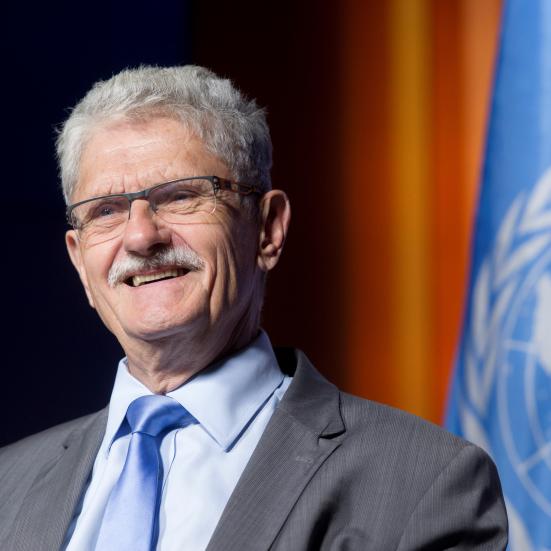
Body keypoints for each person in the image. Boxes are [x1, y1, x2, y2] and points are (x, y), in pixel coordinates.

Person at [0, 65, 507, 551]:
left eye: (180, 197)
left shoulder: (424, 483)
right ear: (79, 260)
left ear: (267, 229)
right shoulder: (9, 484)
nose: (140, 236)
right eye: (106, 211)